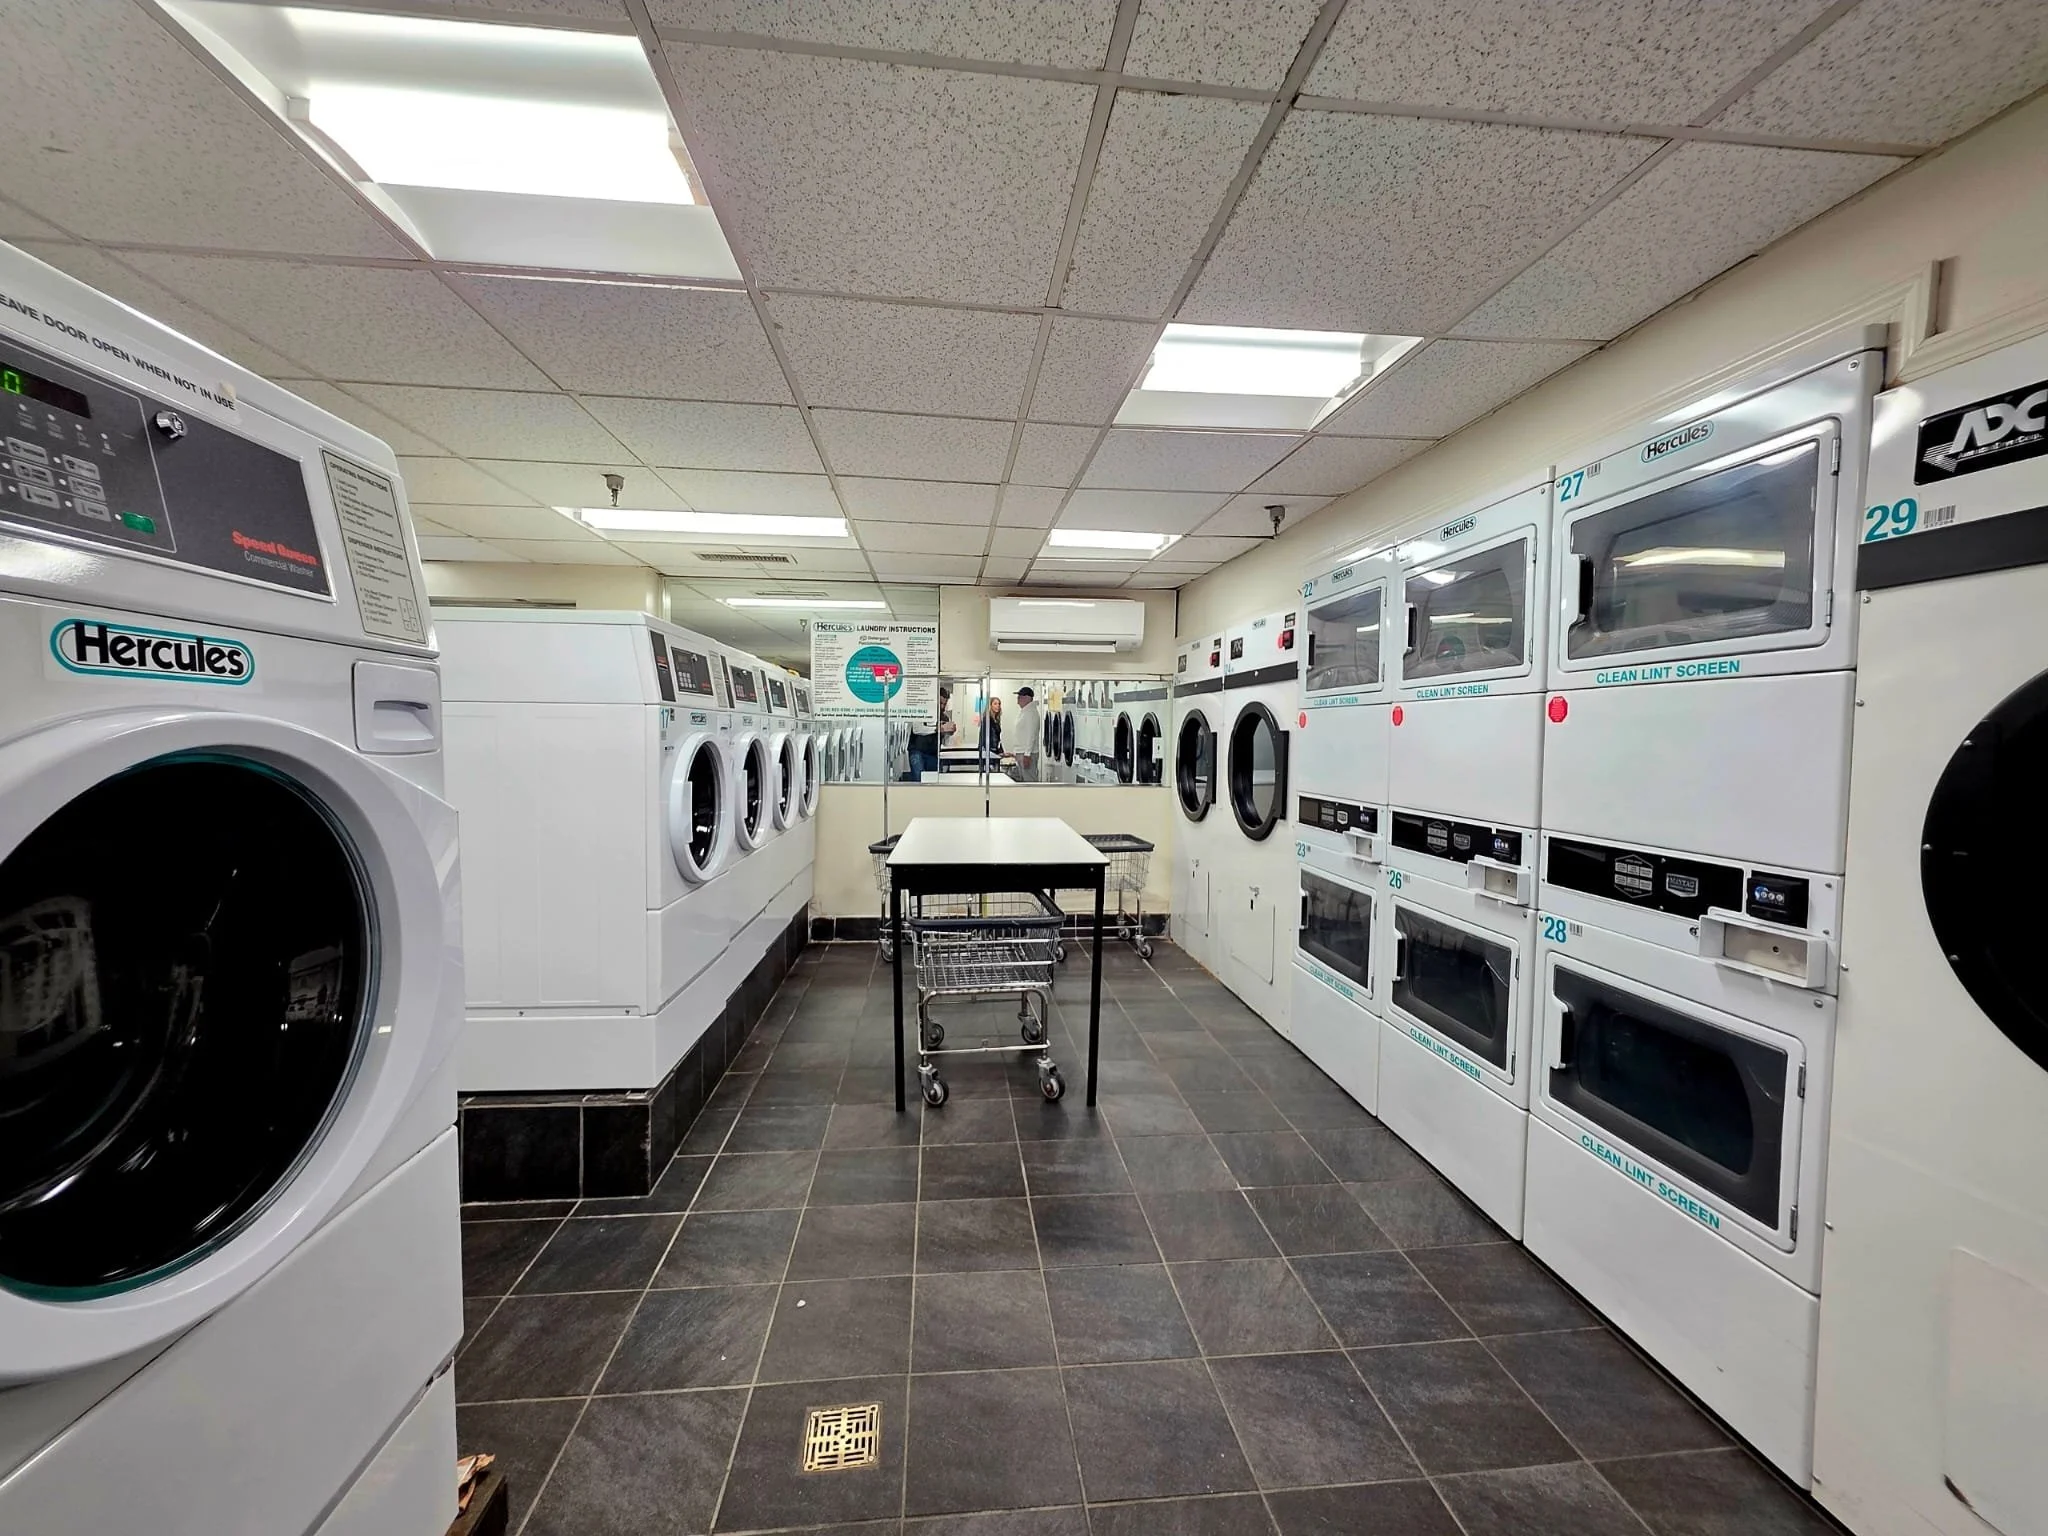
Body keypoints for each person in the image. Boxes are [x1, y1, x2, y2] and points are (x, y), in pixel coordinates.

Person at [907, 685, 953, 780]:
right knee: (919, 781)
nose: (942, 706)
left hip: (933, 753)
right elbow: (916, 729)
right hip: (917, 751)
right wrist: (937, 729)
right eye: (940, 703)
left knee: (932, 783)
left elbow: (946, 743)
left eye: (944, 704)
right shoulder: (922, 712)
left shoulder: (945, 718)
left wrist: (948, 733)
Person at [1009, 686, 1043, 780]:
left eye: (1020, 697)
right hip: (1022, 752)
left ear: (1027, 698)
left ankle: (1033, 795)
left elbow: (1031, 735)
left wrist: (1027, 755)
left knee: (1029, 781)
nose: (1018, 699)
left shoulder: (1031, 712)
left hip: (1027, 754)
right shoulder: (1025, 711)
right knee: (1024, 780)